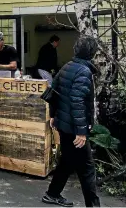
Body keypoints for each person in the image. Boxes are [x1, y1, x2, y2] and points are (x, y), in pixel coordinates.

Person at [42, 36, 100, 207]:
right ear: (92, 53)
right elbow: (77, 101)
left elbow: (53, 90)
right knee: (87, 169)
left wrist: (53, 115)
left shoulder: (68, 66)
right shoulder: (83, 71)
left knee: (67, 160)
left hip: (64, 124)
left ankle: (52, 194)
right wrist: (81, 131)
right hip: (74, 128)